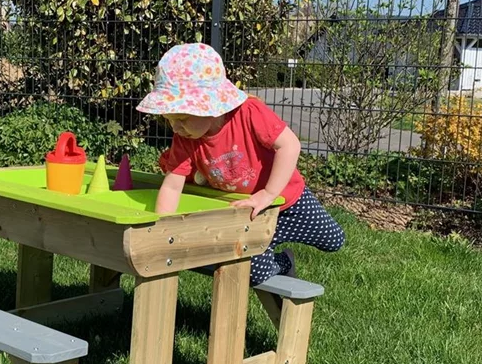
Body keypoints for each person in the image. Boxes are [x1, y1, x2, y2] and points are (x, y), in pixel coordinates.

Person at [136, 43, 344, 287]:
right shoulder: (185, 137)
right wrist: (162, 229)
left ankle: (274, 237)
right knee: (255, 273)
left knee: (334, 239)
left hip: (288, 198)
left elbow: (290, 145)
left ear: (210, 106)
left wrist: (268, 194)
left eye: (181, 118)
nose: (175, 127)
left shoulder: (249, 113)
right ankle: (284, 262)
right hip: (247, 211)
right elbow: (172, 186)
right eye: (169, 119)